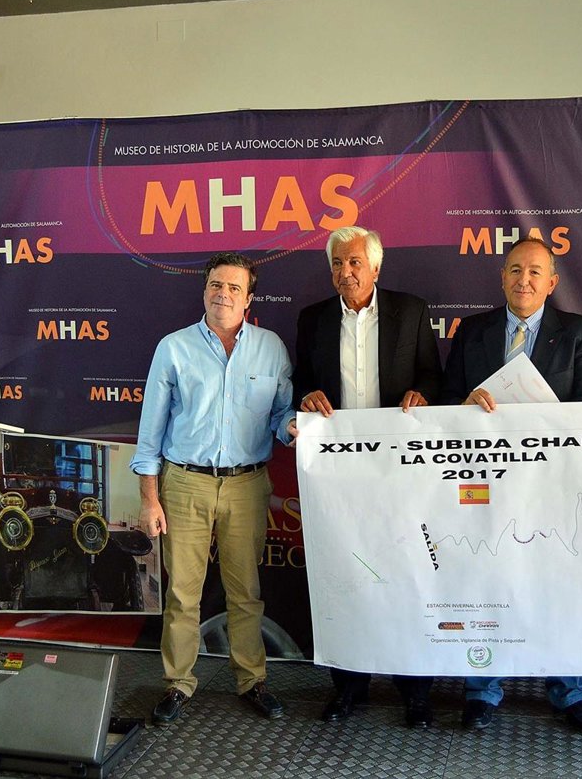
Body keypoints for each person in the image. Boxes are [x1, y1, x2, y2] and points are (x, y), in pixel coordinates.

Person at [441, 237, 582, 732]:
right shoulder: (472, 331)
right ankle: (482, 689)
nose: (524, 280)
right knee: (485, 581)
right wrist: (464, 403)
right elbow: (446, 400)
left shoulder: (581, 333)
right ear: (502, 277)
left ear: (552, 282)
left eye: (536, 272)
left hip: (552, 484)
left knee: (559, 584)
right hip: (485, 483)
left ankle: (568, 690)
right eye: (515, 269)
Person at [130, 252, 295, 726]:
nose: (223, 294)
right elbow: (150, 433)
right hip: (185, 483)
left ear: (249, 299)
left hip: (247, 485)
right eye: (216, 285)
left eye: (234, 288)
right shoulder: (173, 348)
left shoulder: (271, 348)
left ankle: (252, 681)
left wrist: (293, 427)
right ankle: (178, 683)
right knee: (183, 593)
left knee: (246, 592)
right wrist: (149, 499)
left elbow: (281, 414)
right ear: (204, 291)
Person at [292, 225, 443, 728]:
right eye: (337, 263)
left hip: (400, 472)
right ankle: (349, 685)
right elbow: (300, 382)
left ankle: (414, 689)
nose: (346, 272)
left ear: (375, 267)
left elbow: (432, 374)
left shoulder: (411, 311)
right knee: (346, 576)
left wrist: (423, 393)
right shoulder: (312, 319)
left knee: (407, 574)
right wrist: (306, 396)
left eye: (355, 262)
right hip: (339, 476)